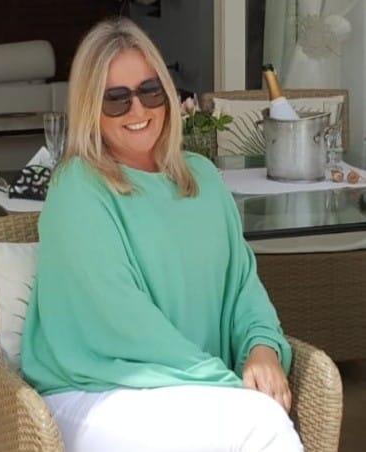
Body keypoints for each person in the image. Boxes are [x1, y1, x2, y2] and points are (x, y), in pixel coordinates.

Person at [21, 16, 304, 452]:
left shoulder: (203, 178)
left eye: (150, 91)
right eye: (116, 99)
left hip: (193, 390)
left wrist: (262, 347)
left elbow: (243, 286)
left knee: (254, 422)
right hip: (99, 389)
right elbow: (121, 320)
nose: (138, 110)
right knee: (260, 426)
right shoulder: (78, 186)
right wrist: (227, 383)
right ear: (90, 108)